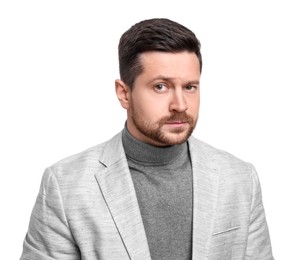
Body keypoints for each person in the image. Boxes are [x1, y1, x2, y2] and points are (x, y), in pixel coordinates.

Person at [20, 18, 274, 259]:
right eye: (160, 86)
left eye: (189, 87)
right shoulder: (66, 185)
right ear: (124, 93)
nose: (180, 105)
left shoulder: (240, 179)